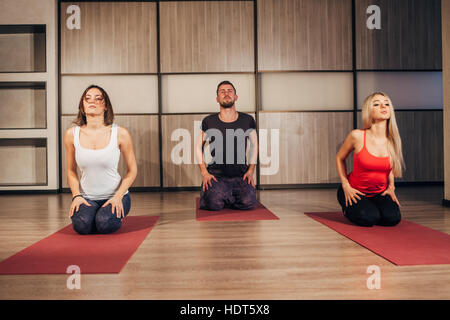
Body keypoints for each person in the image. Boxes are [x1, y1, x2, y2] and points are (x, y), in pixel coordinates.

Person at [64, 85, 137, 234]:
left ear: (105, 106)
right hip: (86, 197)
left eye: (98, 99)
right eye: (88, 98)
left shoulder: (120, 133)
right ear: (82, 107)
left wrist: (118, 197)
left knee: (104, 224)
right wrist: (76, 196)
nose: (93, 101)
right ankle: (94, 215)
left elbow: (132, 170)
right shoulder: (71, 134)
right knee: (82, 226)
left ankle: (110, 215)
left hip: (115, 195)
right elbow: (71, 171)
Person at [336, 92, 404, 227]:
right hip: (354, 191)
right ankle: (347, 208)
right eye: (377, 104)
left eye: (386, 103)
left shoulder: (393, 140)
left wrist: (391, 186)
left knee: (393, 219)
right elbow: (340, 158)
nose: (383, 106)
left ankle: (372, 206)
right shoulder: (357, 136)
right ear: (369, 111)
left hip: (379, 192)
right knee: (368, 219)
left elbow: (388, 167)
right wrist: (345, 185)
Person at [195, 80, 258, 211]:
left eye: (230, 91)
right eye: (222, 92)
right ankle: (223, 196)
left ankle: (228, 196)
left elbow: (255, 145)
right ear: (217, 98)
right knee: (212, 204)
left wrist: (251, 170)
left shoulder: (247, 119)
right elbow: (197, 146)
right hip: (217, 176)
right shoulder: (209, 121)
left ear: (236, 97)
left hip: (240, 175)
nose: (226, 94)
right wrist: (204, 173)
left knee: (248, 203)